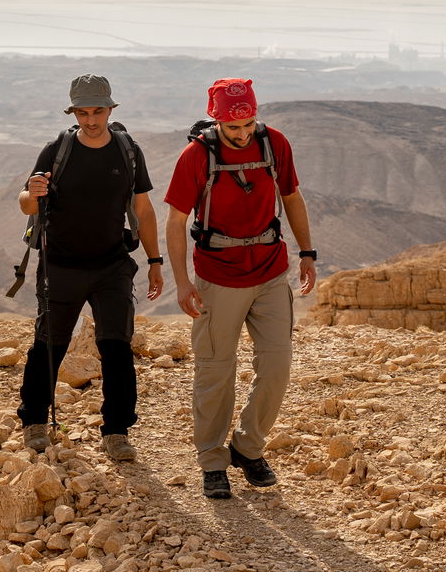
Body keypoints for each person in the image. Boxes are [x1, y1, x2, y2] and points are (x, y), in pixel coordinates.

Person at [164, 78, 316, 497]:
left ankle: (248, 448)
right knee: (215, 371)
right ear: (216, 120)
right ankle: (213, 461)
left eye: (249, 124)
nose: (243, 133)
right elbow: (176, 221)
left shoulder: (274, 143)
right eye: (234, 127)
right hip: (218, 277)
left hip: (270, 271)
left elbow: (292, 197)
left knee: (277, 367)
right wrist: (182, 282)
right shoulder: (196, 155)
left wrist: (307, 252)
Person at [17, 74, 164, 461]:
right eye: (83, 113)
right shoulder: (58, 150)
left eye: (98, 111)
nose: (91, 120)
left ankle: (116, 432)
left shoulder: (128, 151)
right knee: (49, 344)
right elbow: (27, 203)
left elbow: (144, 210)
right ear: (74, 113)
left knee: (117, 348)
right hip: (60, 265)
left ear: (110, 110)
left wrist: (155, 261)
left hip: (112, 265)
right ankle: (34, 421)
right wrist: (31, 193)